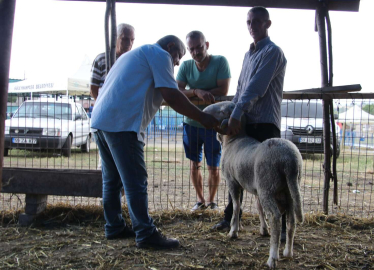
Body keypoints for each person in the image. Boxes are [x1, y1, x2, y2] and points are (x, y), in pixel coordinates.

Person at [91, 35, 220, 249]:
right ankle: (146, 233)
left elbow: (169, 91)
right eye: (177, 57)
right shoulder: (159, 54)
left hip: (101, 121)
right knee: (135, 181)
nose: (176, 64)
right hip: (122, 124)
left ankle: (114, 227)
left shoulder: (135, 55)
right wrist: (203, 117)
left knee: (112, 181)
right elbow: (171, 95)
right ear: (170, 47)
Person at [211, 6, 288, 241]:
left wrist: (236, 113)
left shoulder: (273, 52)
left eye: (256, 22)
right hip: (246, 121)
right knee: (236, 169)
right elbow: (241, 88)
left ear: (268, 24)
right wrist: (233, 110)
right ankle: (231, 217)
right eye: (248, 22)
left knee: (272, 176)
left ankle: (282, 227)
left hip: (264, 122)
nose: (252, 26)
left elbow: (256, 86)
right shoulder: (248, 54)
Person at [176, 31, 231, 211]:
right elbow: (177, 91)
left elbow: (224, 88)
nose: (195, 52)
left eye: (199, 47)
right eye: (191, 49)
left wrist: (194, 91)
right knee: (194, 164)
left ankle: (212, 201)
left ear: (206, 45)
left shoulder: (220, 61)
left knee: (214, 166)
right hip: (191, 122)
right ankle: (200, 201)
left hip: (213, 123)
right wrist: (196, 92)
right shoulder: (185, 66)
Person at [90, 23, 135, 169]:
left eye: (132, 40)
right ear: (116, 38)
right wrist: (103, 106)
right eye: (125, 39)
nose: (129, 44)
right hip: (106, 120)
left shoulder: (133, 61)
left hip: (126, 121)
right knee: (107, 164)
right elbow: (93, 87)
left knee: (125, 164)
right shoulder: (102, 59)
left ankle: (119, 191)